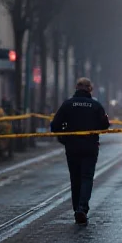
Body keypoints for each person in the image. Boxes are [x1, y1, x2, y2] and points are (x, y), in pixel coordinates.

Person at [50, 77, 110, 225]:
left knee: (75, 178)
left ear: (76, 88)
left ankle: (76, 207)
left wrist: (64, 140)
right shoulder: (95, 105)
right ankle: (82, 208)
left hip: (72, 147)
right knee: (87, 177)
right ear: (90, 89)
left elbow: (55, 125)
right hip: (90, 146)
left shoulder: (67, 104)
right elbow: (105, 125)